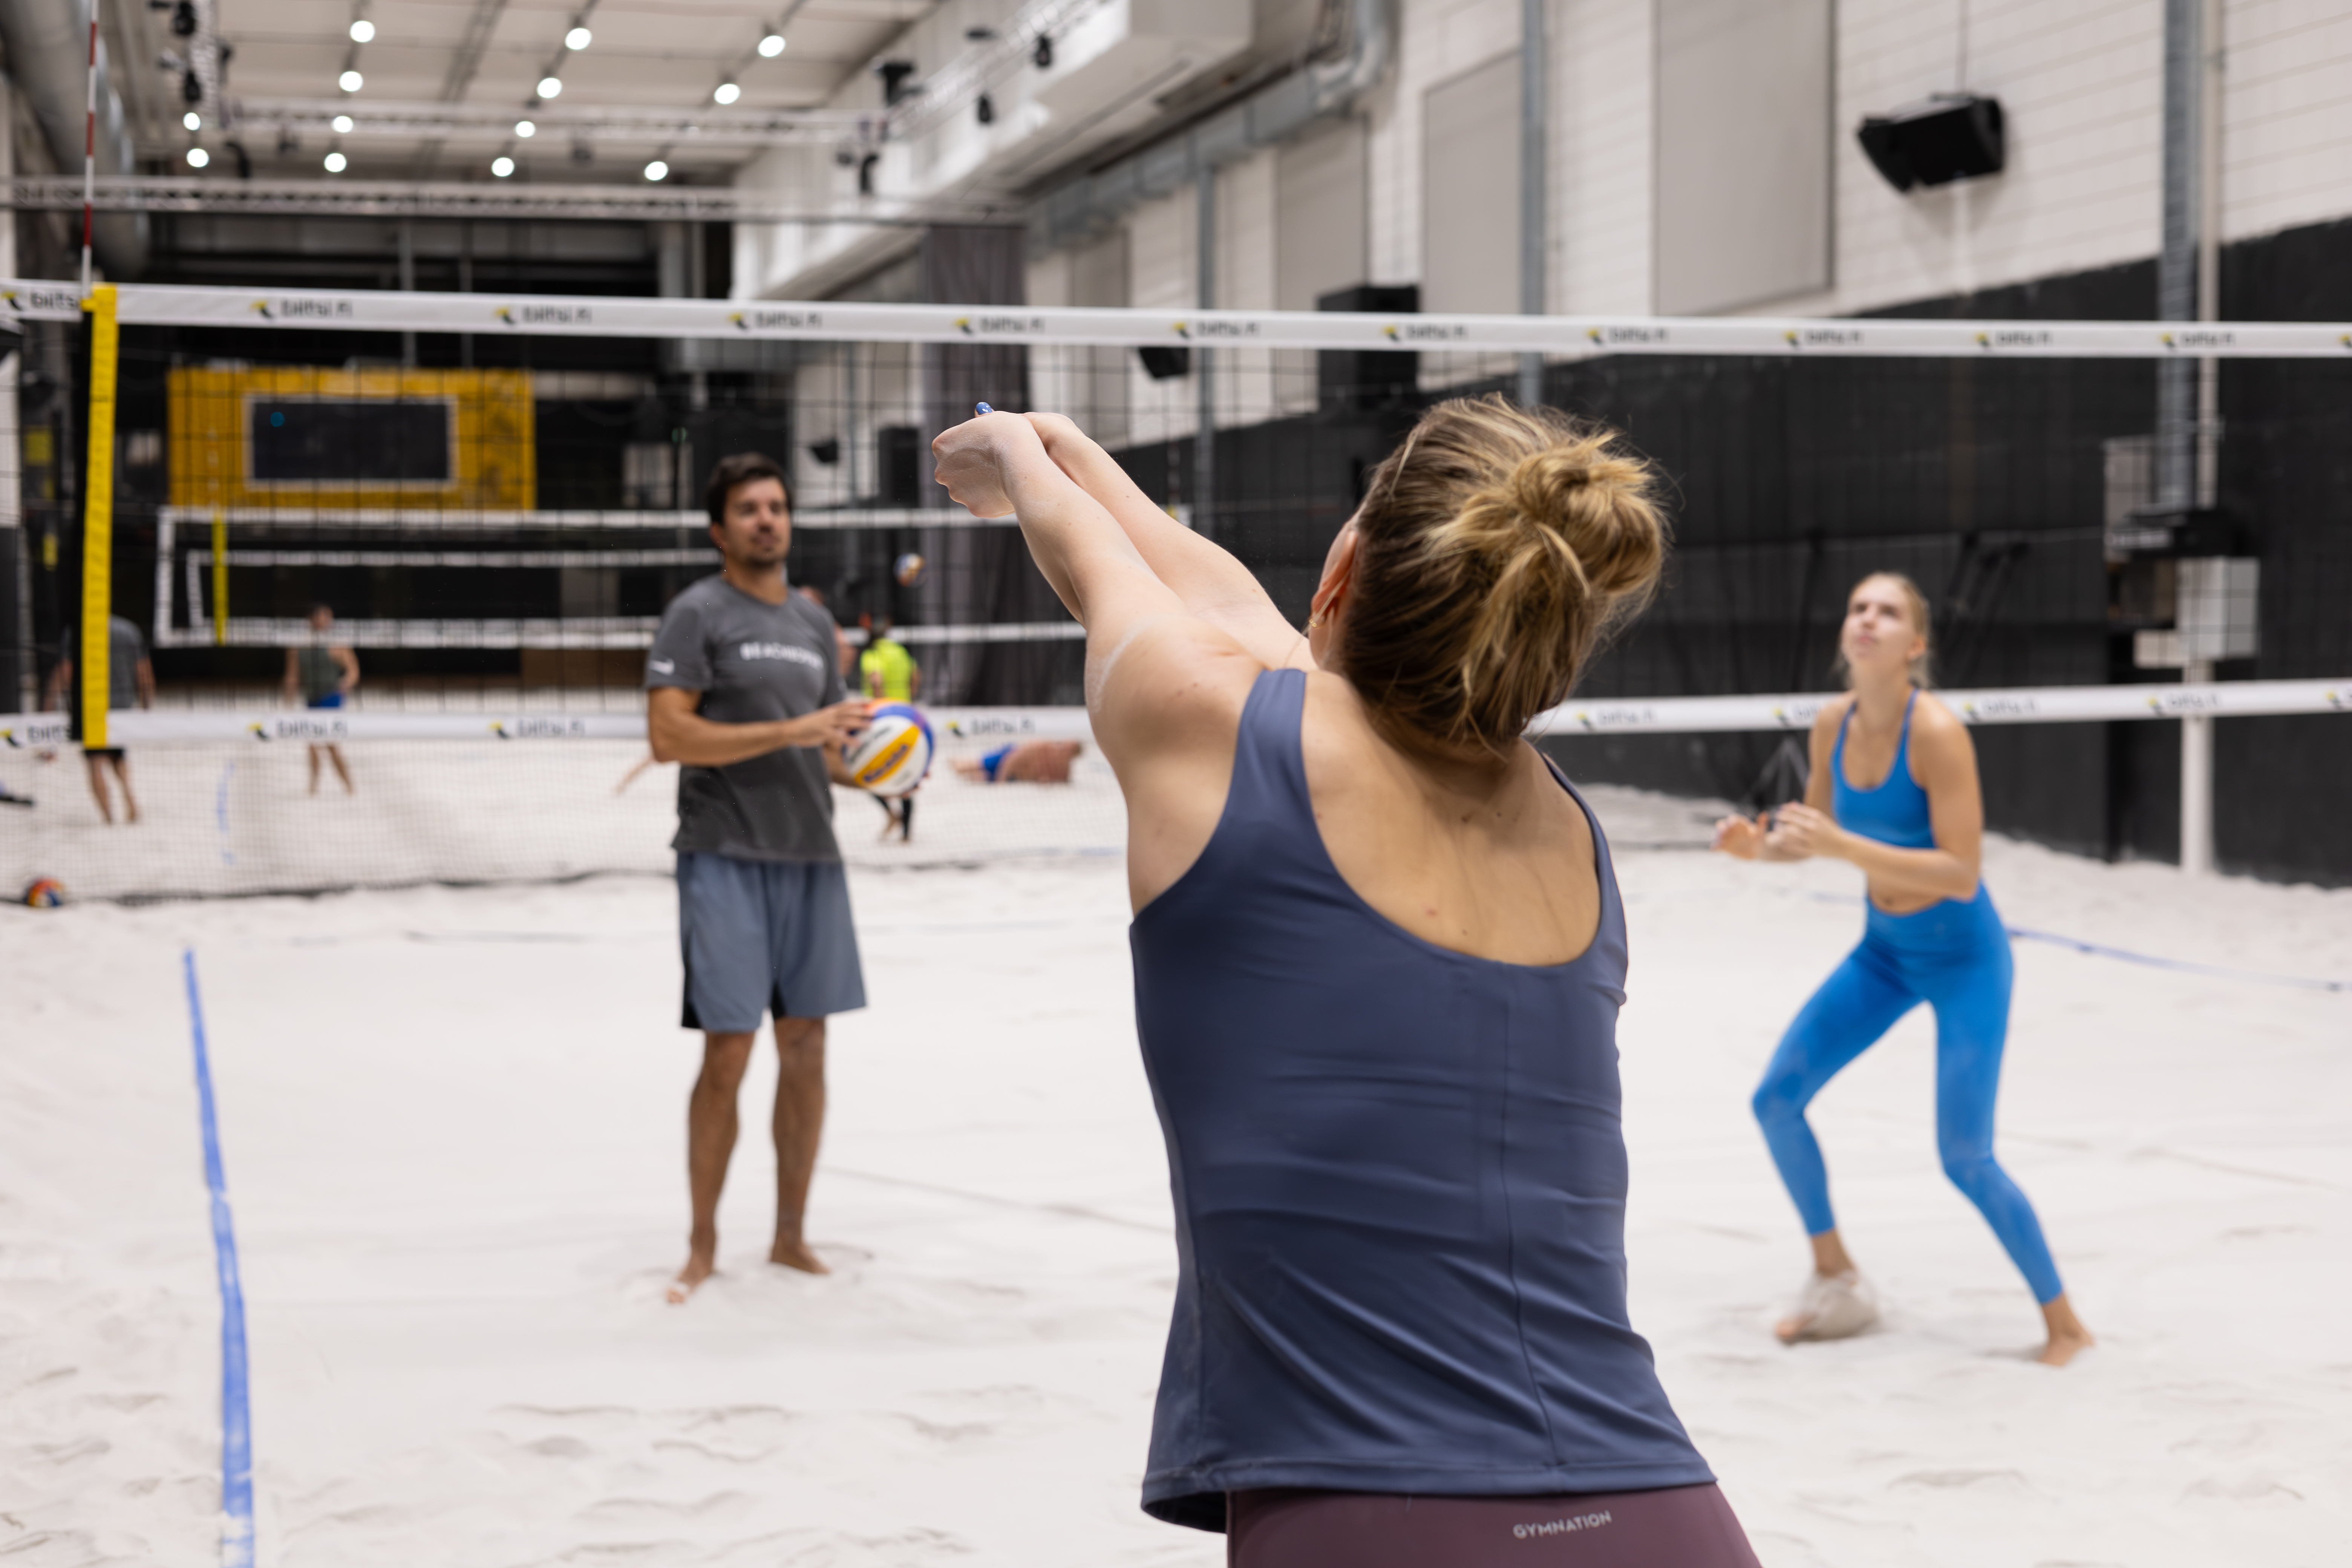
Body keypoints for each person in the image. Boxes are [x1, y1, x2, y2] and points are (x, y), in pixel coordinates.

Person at [932, 397, 1761, 1566]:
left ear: (1345, 564)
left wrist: (1018, 458)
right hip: (1663, 1508)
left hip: (1375, 1511)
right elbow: (1238, 621)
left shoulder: (1221, 732)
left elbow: (1114, 583)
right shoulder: (1567, 820)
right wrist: (1063, 453)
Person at [1712, 573, 2093, 1368]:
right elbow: (1808, 832)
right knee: (1775, 1099)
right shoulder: (1830, 724)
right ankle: (1837, 1274)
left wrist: (1842, 847)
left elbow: (1959, 872)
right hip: (1884, 951)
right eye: (1857, 607)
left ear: (1914, 646)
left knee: (1964, 1157)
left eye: (1888, 612)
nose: (1868, 619)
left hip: (1965, 960)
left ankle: (2065, 1324)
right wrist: (1759, 846)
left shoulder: (1940, 733)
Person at [645, 452, 873, 1304]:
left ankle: (789, 1237)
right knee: (728, 1054)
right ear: (719, 529)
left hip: (812, 856)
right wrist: (798, 731)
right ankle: (701, 1245)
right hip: (724, 855)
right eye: (749, 508)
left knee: (807, 1048)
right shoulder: (695, 614)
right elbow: (669, 736)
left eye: (776, 506)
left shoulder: (815, 625)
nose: (767, 519)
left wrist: (879, 770)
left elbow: (827, 746)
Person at [45, 613, 153, 825]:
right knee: (119, 756)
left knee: (95, 761)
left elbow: (66, 672)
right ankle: (130, 802)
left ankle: (108, 818)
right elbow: (144, 672)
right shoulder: (128, 630)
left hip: (91, 706)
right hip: (122, 706)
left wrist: (53, 702)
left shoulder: (76, 631)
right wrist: (146, 705)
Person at [283, 604, 360, 795]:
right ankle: (313, 787)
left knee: (331, 744)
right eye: (321, 617)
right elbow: (292, 676)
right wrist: (288, 699)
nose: (325, 621)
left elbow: (353, 670)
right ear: (311, 619)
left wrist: (347, 682)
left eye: (328, 617)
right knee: (312, 745)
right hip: (311, 697)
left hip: (331, 696)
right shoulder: (298, 646)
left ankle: (349, 786)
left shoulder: (337, 644)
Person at [858, 616, 922, 843]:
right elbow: (916, 675)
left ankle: (890, 814)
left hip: (885, 719)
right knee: (908, 774)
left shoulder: (872, 654)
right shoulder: (899, 651)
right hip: (907, 717)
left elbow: (876, 680)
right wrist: (909, 698)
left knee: (867, 771)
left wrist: (881, 708)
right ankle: (906, 833)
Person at [950, 738, 1084, 784]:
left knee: (978, 778)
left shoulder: (1064, 771)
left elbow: (1061, 781)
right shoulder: (1041, 746)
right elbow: (1011, 759)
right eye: (1064, 746)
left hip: (1015, 776)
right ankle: (954, 760)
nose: (1063, 749)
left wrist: (1045, 779)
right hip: (1006, 757)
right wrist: (1001, 780)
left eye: (1068, 750)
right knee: (962, 769)